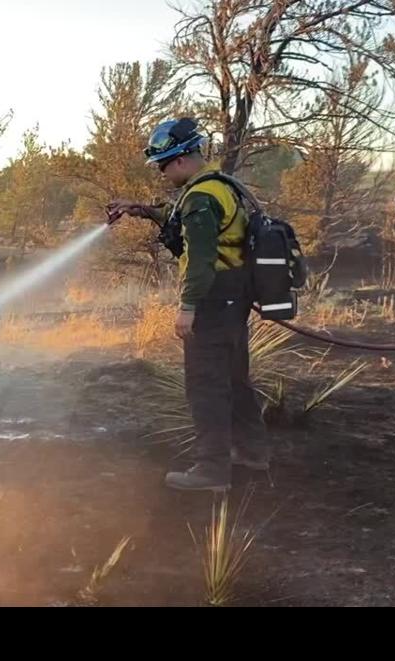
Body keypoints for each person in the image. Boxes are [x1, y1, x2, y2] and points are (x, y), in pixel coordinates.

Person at [106, 118, 267, 491]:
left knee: (205, 386)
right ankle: (253, 455)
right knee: (235, 382)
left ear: (179, 159)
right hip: (233, 299)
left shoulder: (200, 197)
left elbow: (200, 258)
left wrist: (187, 307)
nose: (162, 173)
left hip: (212, 301)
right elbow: (188, 225)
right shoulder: (218, 187)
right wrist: (142, 209)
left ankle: (212, 471)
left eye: (163, 165)